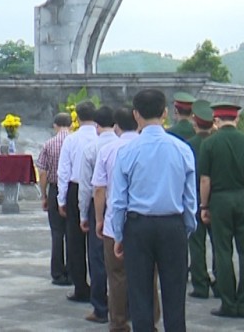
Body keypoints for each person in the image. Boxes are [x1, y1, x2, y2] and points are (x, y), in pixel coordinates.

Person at [105, 87, 197, 332]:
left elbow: (118, 200)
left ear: (136, 115)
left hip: (138, 226)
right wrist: (186, 227)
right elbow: (190, 197)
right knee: (175, 294)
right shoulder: (182, 149)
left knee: (140, 294)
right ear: (165, 112)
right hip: (173, 225)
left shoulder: (127, 151)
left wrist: (118, 234)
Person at [93, 103, 151, 332]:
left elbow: (99, 189)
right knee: (147, 275)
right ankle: (148, 320)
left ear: (116, 126)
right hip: (145, 219)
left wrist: (99, 218)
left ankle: (118, 322)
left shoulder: (108, 150)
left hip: (113, 221)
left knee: (116, 276)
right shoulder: (147, 146)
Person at [198, 102, 244, 319]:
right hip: (243, 196)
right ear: (237, 119)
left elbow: (205, 179)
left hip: (219, 200)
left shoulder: (210, 144)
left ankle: (228, 302)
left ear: (216, 120)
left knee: (222, 251)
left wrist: (204, 205)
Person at [77, 105, 117, 324]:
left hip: (98, 205)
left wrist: (84, 214)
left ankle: (100, 308)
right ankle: (125, 306)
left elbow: (87, 186)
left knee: (98, 258)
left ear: (96, 124)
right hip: (124, 205)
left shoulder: (92, 148)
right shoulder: (124, 145)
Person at [58, 100, 100, 303]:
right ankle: (101, 285)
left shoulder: (72, 140)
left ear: (78, 117)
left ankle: (81, 287)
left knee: (74, 241)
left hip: (75, 188)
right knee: (99, 240)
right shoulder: (103, 138)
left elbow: (63, 171)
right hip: (100, 189)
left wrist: (61, 198)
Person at [184, 99, 216, 299]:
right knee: (220, 244)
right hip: (217, 198)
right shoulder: (217, 141)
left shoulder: (188, 145)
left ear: (195, 122)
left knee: (196, 243)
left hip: (194, 197)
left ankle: (200, 284)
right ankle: (221, 282)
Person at [36, 112, 72, 287]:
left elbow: (42, 172)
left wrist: (43, 195)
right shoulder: (75, 142)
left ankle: (57, 272)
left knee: (57, 233)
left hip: (55, 187)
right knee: (73, 233)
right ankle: (74, 271)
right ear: (71, 125)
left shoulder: (48, 144)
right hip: (74, 189)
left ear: (55, 125)